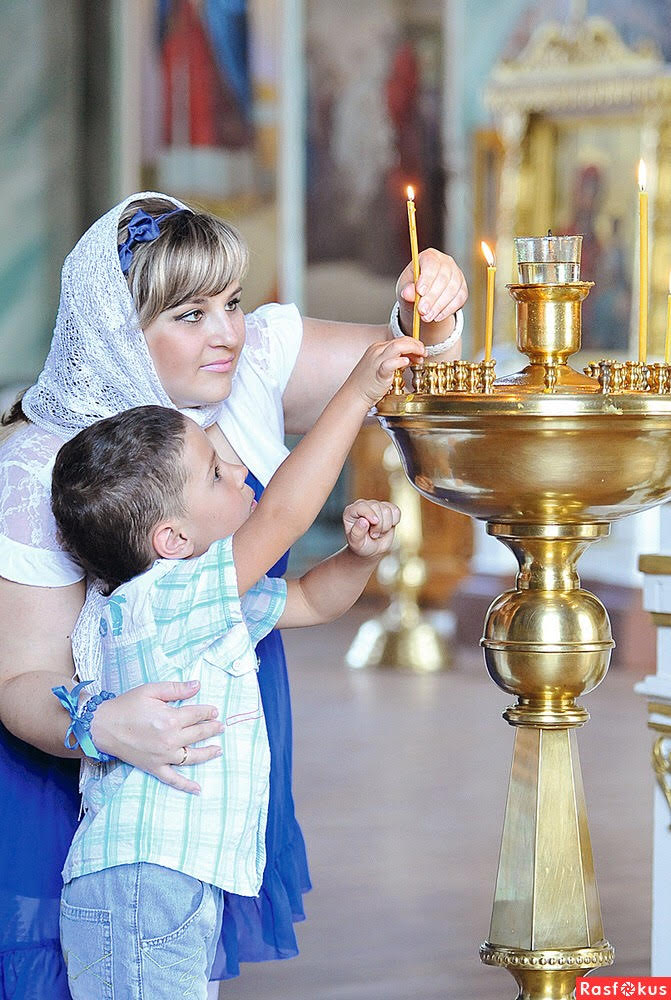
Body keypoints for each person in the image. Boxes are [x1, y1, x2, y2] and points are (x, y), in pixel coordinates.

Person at [0, 191, 466, 998]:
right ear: (118, 333)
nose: (227, 333)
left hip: (210, 755)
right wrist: (102, 720)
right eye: (189, 313)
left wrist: (427, 305)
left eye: (232, 302)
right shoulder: (36, 468)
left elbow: (404, 357)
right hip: (77, 767)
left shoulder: (241, 371)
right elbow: (22, 674)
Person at [52, 328, 412, 997]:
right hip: (143, 882)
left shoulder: (198, 607)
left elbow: (309, 598)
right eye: (216, 473)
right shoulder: (161, 599)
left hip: (167, 878)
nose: (239, 470)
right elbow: (281, 516)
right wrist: (357, 392)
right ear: (173, 538)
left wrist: (358, 560)